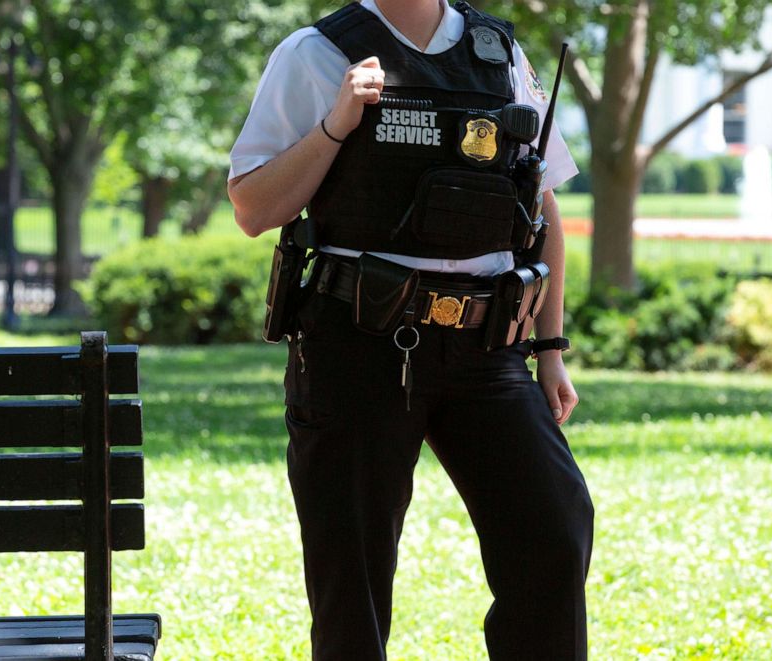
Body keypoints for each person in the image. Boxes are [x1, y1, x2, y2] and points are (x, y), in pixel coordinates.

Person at [227, 1, 593, 659]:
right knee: (354, 578)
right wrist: (336, 125)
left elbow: (541, 206)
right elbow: (254, 208)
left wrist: (549, 349)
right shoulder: (316, 53)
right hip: (357, 343)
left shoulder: (496, 53)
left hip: (488, 346)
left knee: (554, 527)